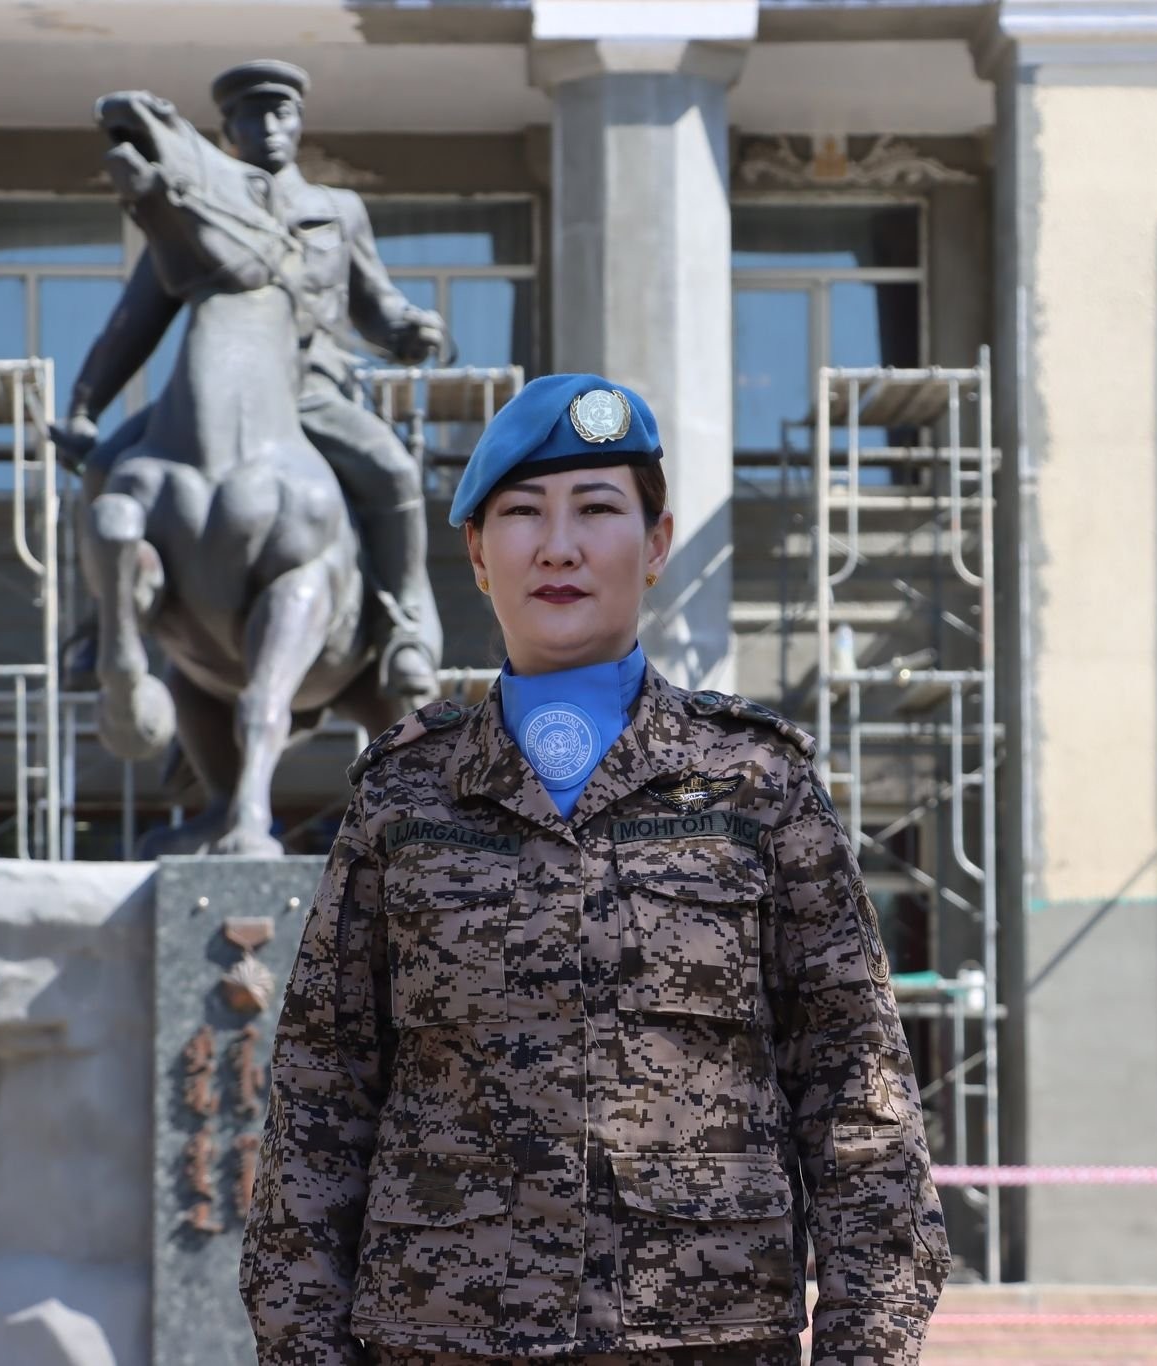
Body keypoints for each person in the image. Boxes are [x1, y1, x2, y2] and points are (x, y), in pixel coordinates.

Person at [239, 374, 950, 1365]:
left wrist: (863, 1349)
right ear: (477, 555)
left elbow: (857, 1098)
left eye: (597, 509)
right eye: (522, 513)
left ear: (656, 545)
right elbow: (320, 1104)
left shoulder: (755, 784)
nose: (558, 546)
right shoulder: (405, 798)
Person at [57, 58, 449, 708]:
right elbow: (133, 323)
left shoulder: (337, 210)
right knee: (104, 467)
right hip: (218, 389)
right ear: (229, 129)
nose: (268, 127)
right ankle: (105, 621)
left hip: (313, 390)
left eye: (281, 113)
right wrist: (84, 407)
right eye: (251, 115)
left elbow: (374, 303)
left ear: (299, 122)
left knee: (393, 469)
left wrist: (406, 327)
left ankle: (406, 623)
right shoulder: (199, 212)